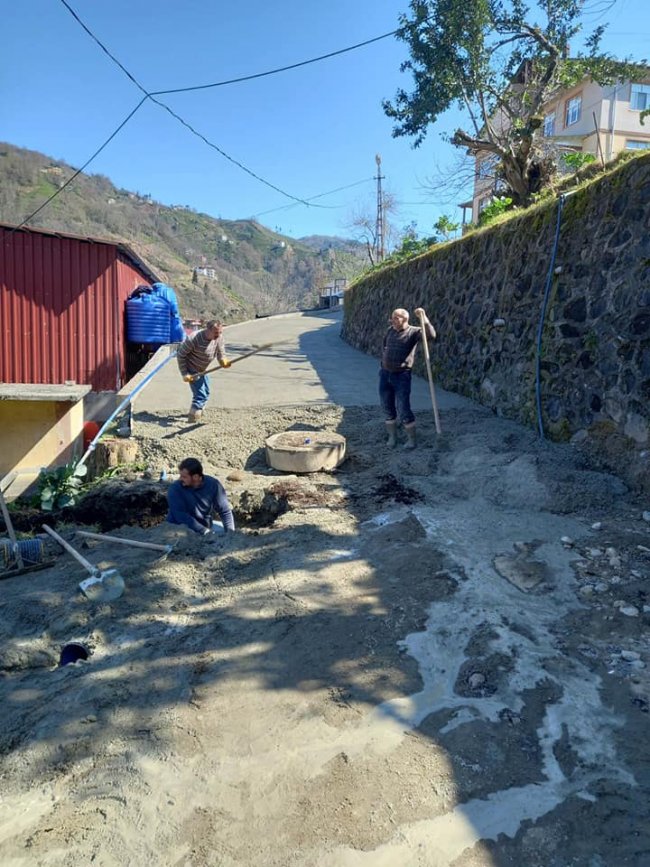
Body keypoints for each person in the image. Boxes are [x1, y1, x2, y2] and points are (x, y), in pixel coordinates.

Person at [379, 307, 436, 450]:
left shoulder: (414, 332)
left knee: (403, 407)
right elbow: (385, 346)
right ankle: (392, 437)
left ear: (405, 319)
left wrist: (424, 318)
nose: (392, 320)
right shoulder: (389, 331)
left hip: (401, 375)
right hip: (385, 374)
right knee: (387, 406)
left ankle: (411, 439)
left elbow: (431, 335)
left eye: (396, 318)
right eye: (392, 317)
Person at [176, 319, 231, 421]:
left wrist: (223, 361)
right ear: (208, 330)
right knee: (201, 395)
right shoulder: (194, 338)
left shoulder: (219, 338)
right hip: (192, 369)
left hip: (203, 369)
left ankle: (199, 412)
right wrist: (184, 373)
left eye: (220, 332)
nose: (218, 335)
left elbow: (221, 352)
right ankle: (193, 417)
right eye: (215, 332)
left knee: (206, 391)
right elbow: (181, 355)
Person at [167, 457, 235, 535]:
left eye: (184, 477)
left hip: (205, 526)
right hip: (178, 528)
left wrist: (231, 534)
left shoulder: (213, 485)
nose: (180, 479)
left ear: (195, 477)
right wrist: (204, 531)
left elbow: (225, 511)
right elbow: (180, 515)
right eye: (180, 475)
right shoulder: (175, 489)